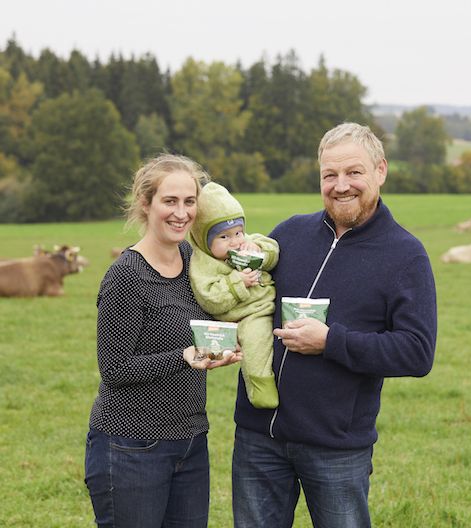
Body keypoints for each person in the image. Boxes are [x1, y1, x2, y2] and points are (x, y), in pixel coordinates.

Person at [231, 122, 437, 527]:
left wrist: (331, 342)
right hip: (259, 436)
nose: (341, 185)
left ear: (380, 171)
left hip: (337, 447)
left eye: (353, 172)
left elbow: (417, 351)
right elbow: (250, 297)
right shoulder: (289, 234)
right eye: (330, 175)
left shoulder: (405, 255)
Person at [84, 154, 242, 528]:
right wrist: (183, 357)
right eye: (169, 201)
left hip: (191, 441)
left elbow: (214, 313)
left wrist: (223, 344)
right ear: (145, 204)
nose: (181, 213)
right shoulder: (127, 276)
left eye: (189, 202)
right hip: (131, 446)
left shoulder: (193, 261)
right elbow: (115, 369)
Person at [188, 181, 280, 409]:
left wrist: (258, 250)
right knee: (255, 345)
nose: (235, 241)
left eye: (238, 232)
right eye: (224, 237)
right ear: (204, 240)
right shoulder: (203, 265)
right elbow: (209, 298)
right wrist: (238, 282)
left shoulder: (247, 243)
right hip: (248, 316)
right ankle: (261, 387)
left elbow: (274, 250)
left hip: (271, 304)